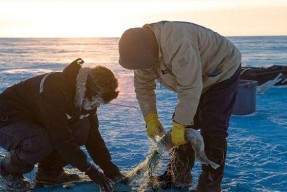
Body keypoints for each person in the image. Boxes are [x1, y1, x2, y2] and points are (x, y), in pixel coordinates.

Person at [118, 21, 241, 191]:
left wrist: (180, 123)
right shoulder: (142, 53)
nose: (143, 69)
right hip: (194, 78)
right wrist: (150, 117)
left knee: (213, 127)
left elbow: (190, 87)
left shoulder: (177, 43)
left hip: (221, 71)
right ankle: (178, 174)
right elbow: (143, 87)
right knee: (182, 127)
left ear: (152, 53)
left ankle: (210, 183)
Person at [0, 58, 124, 191]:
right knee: (40, 139)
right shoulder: (54, 89)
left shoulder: (86, 99)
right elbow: (61, 137)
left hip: (38, 121)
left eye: (100, 102)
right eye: (96, 100)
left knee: (82, 129)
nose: (97, 105)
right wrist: (91, 171)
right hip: (8, 119)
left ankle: (49, 173)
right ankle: (9, 171)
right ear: (86, 89)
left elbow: (93, 136)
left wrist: (109, 169)